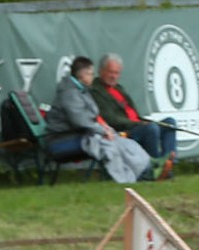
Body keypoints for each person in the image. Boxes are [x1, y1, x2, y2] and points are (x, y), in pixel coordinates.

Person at [49, 55, 152, 184]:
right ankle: (125, 180)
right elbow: (80, 121)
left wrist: (106, 129)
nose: (93, 77)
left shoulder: (81, 91)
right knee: (108, 144)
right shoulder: (69, 93)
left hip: (81, 135)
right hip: (63, 139)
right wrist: (103, 131)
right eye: (91, 74)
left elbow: (92, 117)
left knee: (124, 142)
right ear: (82, 75)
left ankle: (145, 169)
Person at [91, 54, 176, 175]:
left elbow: (133, 112)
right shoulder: (95, 91)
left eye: (117, 73)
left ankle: (168, 162)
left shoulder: (119, 89)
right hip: (123, 132)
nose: (114, 76)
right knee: (150, 128)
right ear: (101, 71)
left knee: (169, 123)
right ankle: (156, 168)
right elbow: (110, 119)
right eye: (111, 72)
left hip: (137, 125)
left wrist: (141, 122)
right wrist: (138, 123)